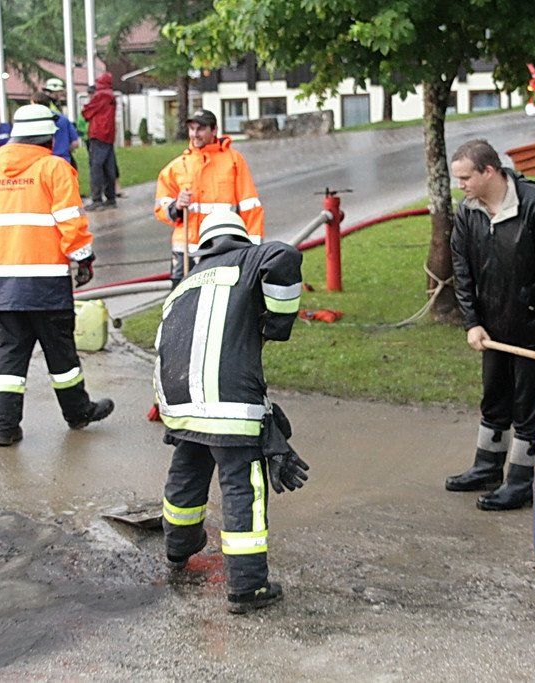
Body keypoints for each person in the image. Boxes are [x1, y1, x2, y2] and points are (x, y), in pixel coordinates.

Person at [155, 210, 308, 614]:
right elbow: (285, 256)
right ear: (241, 238)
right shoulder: (251, 259)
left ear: (203, 246)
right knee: (243, 487)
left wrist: (171, 414)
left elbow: (163, 348)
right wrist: (277, 322)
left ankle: (178, 548)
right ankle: (248, 586)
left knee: (187, 471)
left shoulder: (184, 284)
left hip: (181, 402)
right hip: (231, 405)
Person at [0, 104, 114, 447]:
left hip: (6, 282)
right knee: (61, 354)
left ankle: (4, 427)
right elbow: (70, 220)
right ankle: (78, 412)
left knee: (10, 355)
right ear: (47, 137)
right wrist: (83, 258)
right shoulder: (54, 167)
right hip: (47, 281)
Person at [446, 139, 535, 511]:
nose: (460, 185)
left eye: (465, 178)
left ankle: (521, 481)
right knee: (495, 399)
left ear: (489, 171)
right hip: (492, 327)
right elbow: (461, 268)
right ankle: (487, 468)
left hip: (534, 325)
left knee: (528, 405)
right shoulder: (468, 211)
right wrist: (472, 322)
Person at [154, 109, 264, 286]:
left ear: (214, 130)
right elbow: (161, 206)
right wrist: (177, 206)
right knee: (180, 301)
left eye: (200, 129)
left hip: (222, 247)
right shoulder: (177, 166)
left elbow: (250, 207)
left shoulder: (233, 161)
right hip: (185, 252)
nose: (194, 134)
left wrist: (253, 250)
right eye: (192, 129)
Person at [81, 72, 118, 211]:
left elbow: (86, 112)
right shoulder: (111, 95)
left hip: (98, 134)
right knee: (109, 167)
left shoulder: (100, 95)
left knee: (96, 167)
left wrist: (87, 107)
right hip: (109, 135)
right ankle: (111, 198)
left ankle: (97, 199)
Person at [31, 90, 80, 167]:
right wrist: (64, 150)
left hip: (41, 162)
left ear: (34, 103)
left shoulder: (32, 120)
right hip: (63, 161)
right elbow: (75, 143)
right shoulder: (63, 119)